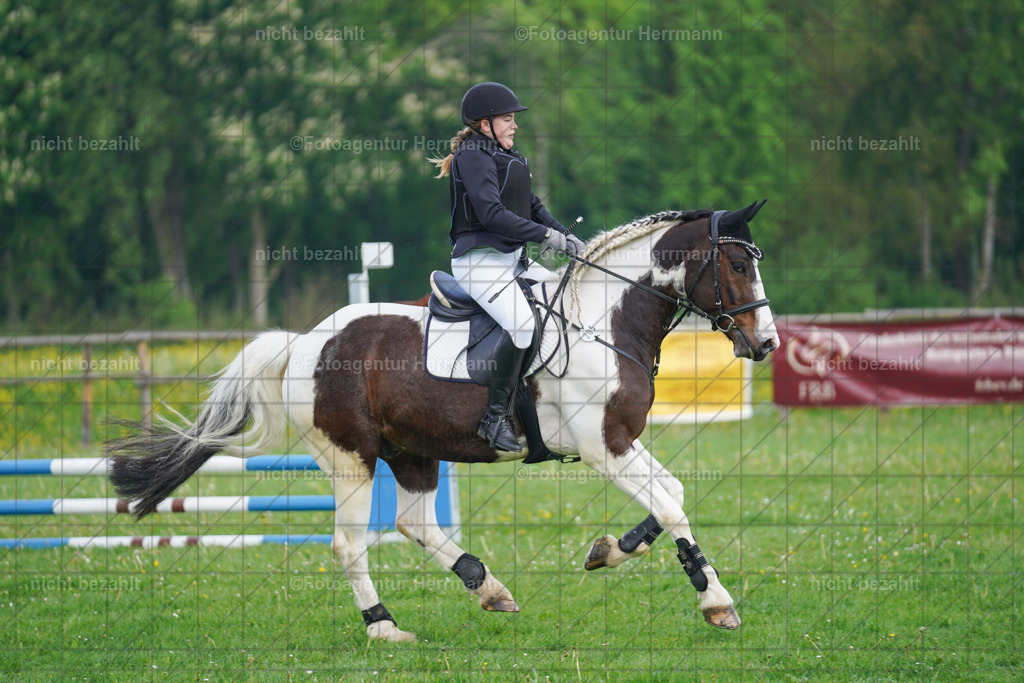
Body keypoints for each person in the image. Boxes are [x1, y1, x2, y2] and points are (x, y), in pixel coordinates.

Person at [431, 82, 584, 452]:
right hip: (478, 262)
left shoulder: (508, 156)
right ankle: (495, 417)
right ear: (485, 124)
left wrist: (564, 235)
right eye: (507, 119)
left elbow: (531, 205)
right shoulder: (473, 156)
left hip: (511, 260)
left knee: (562, 307)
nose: (514, 126)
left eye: (513, 119)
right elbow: (492, 215)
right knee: (522, 324)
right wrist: (548, 238)